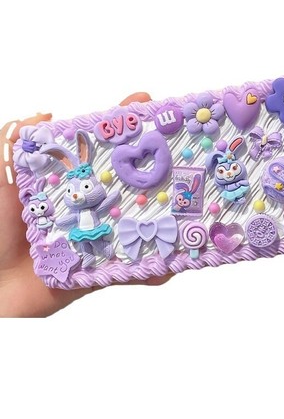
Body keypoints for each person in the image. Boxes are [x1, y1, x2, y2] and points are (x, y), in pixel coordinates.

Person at [0, 92, 172, 317]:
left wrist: (112, 198)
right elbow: (68, 219)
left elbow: (104, 205)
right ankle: (90, 256)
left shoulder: (95, 201)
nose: (75, 196)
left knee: (100, 242)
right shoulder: (66, 200)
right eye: (70, 192)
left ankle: (106, 251)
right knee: (86, 245)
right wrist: (8, 279)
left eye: (85, 188)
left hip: (95, 229)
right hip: (78, 233)